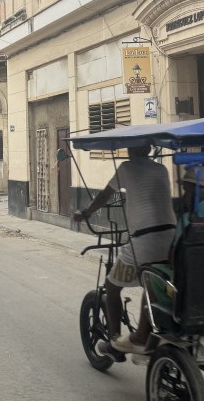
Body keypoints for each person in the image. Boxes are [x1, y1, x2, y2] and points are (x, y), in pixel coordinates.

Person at [73, 145, 175, 354]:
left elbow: (105, 195)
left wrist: (86, 213)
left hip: (145, 241)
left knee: (112, 287)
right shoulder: (162, 169)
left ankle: (115, 343)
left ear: (130, 151)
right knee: (152, 282)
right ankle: (147, 332)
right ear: (149, 150)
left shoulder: (126, 168)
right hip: (171, 239)